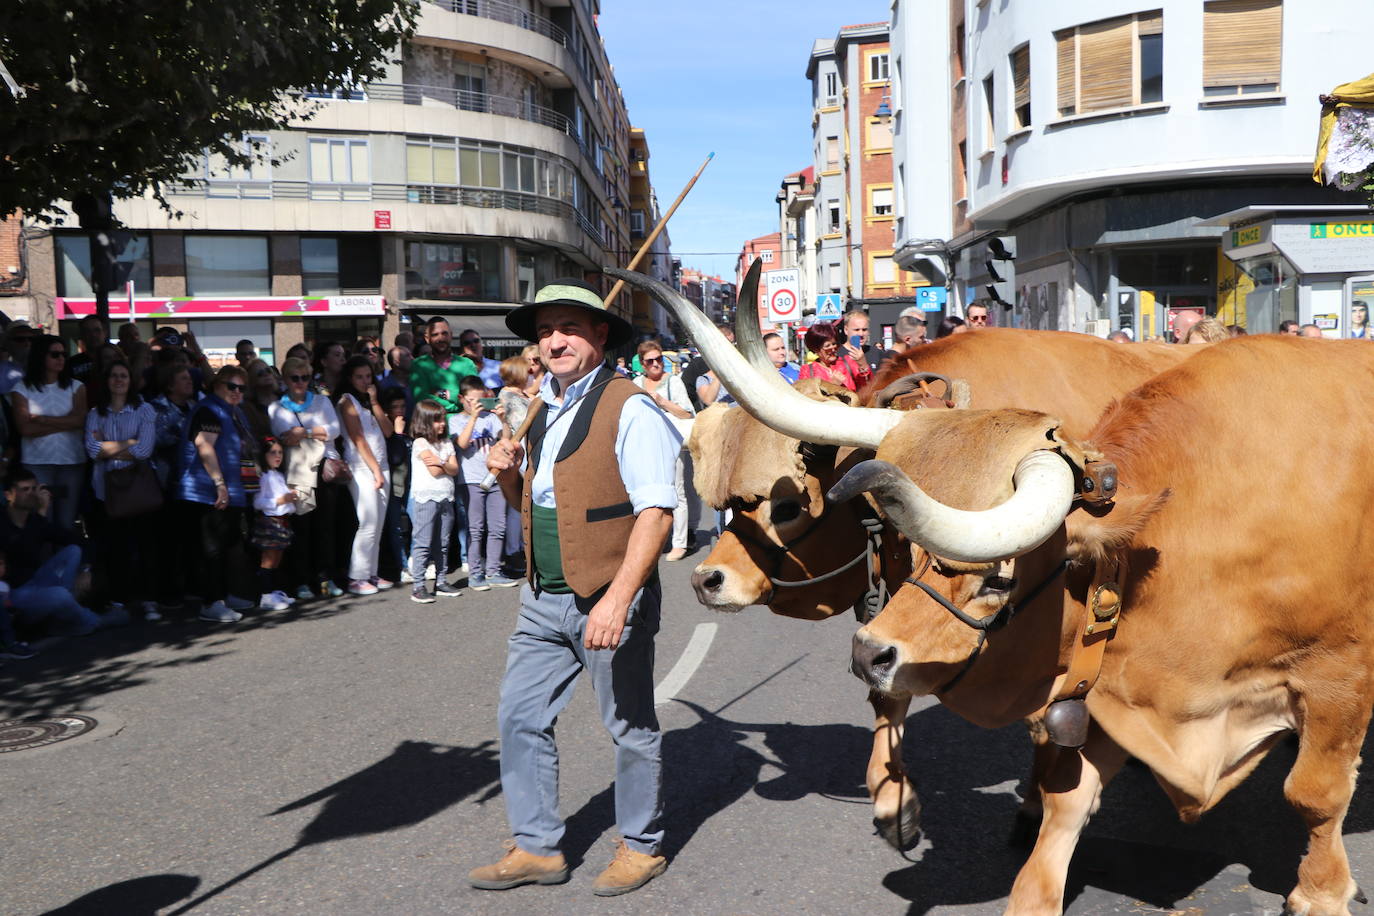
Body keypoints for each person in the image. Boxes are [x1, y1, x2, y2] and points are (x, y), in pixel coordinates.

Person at [472, 277, 679, 896]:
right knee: (519, 716)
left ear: (599, 335)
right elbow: (534, 503)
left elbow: (657, 513)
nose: (553, 341)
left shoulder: (631, 406)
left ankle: (641, 846)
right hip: (543, 596)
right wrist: (507, 474)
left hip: (605, 594)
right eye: (544, 331)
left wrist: (618, 599)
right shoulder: (543, 407)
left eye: (567, 328)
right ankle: (537, 846)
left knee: (629, 726)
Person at [176, 365, 254, 623]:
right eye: (231, 386)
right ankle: (211, 601)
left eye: (241, 387)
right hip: (205, 491)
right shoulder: (209, 409)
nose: (236, 391)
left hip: (230, 490)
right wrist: (219, 484)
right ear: (216, 385)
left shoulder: (234, 412)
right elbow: (204, 446)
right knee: (212, 549)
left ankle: (228, 594)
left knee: (230, 544)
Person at [84, 360, 159, 621]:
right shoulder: (95, 413)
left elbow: (145, 451)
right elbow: (93, 451)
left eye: (124, 376)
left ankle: (149, 600)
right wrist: (129, 442)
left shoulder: (145, 410)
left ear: (130, 380)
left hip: (138, 489)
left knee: (145, 546)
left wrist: (109, 447)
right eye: (114, 376)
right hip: (107, 490)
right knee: (115, 549)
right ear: (107, 381)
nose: (119, 380)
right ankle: (120, 600)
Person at [0, 468, 113, 636]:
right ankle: (93, 621)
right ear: (9, 495)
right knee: (59, 594)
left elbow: (79, 542)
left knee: (73, 551)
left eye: (34, 489)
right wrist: (42, 514)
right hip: (13, 594)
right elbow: (22, 551)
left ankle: (61, 615)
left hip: (36, 582)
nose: (31, 494)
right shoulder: (5, 521)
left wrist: (86, 569)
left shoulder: (34, 520)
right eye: (25, 489)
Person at [270, 356, 345, 600]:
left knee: (326, 528)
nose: (300, 382)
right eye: (295, 378)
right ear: (285, 380)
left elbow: (334, 429)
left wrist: (306, 432)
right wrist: (315, 434)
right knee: (302, 529)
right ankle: (301, 581)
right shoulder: (276, 407)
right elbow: (283, 437)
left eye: (305, 377)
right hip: (297, 473)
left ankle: (326, 578)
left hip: (324, 469)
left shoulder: (322, 401)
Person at [11, 334, 87, 535]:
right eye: (55, 354)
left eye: (63, 354)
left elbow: (80, 421)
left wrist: (42, 420)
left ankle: (65, 565)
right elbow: (25, 429)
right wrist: (67, 422)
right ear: (40, 356)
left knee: (66, 522)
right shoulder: (21, 388)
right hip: (37, 463)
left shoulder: (77, 387)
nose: (61, 358)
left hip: (71, 462)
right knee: (41, 521)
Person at [634, 340, 694, 561]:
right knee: (649, 493)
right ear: (642, 364)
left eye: (659, 359)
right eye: (650, 361)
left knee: (676, 492)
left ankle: (680, 543)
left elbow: (688, 413)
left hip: (670, 442)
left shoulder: (674, 382)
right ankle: (654, 540)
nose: (656, 364)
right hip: (644, 444)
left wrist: (662, 401)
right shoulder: (635, 383)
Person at [335, 355, 391, 595]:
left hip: (381, 464)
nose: (364, 381)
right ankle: (356, 576)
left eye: (368, 376)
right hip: (361, 467)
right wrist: (375, 470)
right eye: (359, 377)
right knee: (367, 522)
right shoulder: (347, 401)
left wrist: (375, 401)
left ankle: (371, 572)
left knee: (377, 523)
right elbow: (357, 438)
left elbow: (388, 431)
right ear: (350, 378)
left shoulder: (367, 401)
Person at [454, 375, 515, 590]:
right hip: (471, 480)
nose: (477, 405)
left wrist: (503, 419)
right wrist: (473, 417)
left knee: (498, 527)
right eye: (472, 400)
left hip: (495, 477)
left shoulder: (490, 419)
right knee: (476, 528)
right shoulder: (456, 420)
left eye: (481, 400)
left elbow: (505, 439)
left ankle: (493, 570)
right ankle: (475, 574)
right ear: (462, 399)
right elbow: (461, 444)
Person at [407, 398, 461, 603]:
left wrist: (441, 462)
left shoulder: (446, 442)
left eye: (442, 420)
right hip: (426, 497)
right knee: (423, 542)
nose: (442, 424)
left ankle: (441, 580)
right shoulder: (421, 443)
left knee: (443, 542)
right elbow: (434, 471)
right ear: (424, 422)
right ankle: (418, 586)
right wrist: (444, 463)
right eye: (437, 420)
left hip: (446, 496)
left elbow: (454, 469)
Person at [251, 436, 298, 611]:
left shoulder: (277, 475)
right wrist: (280, 500)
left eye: (280, 452)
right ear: (264, 455)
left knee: (277, 557)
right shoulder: (263, 477)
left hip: (282, 521)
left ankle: (273, 591)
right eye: (273, 453)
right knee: (268, 559)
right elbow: (258, 502)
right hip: (270, 521)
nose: (278, 456)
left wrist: (290, 498)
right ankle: (265, 595)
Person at [410, 317, 479, 418]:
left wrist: (442, 393)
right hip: (432, 426)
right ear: (427, 338)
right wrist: (457, 404)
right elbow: (422, 400)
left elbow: (473, 398)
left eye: (444, 333)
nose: (441, 338)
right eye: (435, 335)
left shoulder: (467, 364)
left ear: (451, 335)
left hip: (465, 426)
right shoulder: (418, 365)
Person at [798, 320, 871, 392]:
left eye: (834, 344)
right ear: (816, 349)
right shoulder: (807, 370)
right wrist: (831, 385)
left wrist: (863, 364)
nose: (833, 349)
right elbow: (805, 398)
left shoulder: (848, 362)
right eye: (827, 346)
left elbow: (867, 387)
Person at [682, 322, 733, 410]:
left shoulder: (739, 365)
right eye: (725, 344)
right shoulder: (698, 366)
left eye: (733, 344)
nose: (731, 349)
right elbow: (689, 393)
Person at [66, 315, 107, 383]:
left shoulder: (115, 359)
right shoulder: (71, 364)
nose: (93, 335)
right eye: (87, 331)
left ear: (105, 333)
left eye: (97, 330)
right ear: (82, 335)